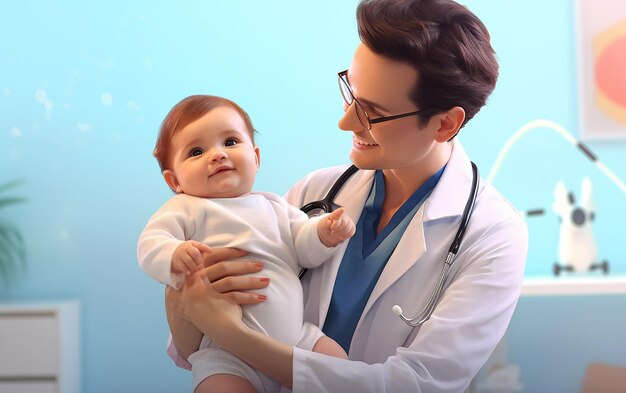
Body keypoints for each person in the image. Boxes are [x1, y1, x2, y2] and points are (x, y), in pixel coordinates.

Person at [165, 0, 528, 392]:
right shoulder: (315, 192)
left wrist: (232, 335)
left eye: (371, 112)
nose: (345, 121)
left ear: (445, 123)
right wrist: (183, 303)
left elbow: (413, 386)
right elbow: (195, 345)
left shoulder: (493, 236)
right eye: (350, 92)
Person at [137, 95, 354, 393]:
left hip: (296, 340)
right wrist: (174, 254)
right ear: (174, 181)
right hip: (226, 357)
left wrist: (323, 234)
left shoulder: (275, 207)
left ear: (256, 157)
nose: (217, 155)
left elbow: (303, 247)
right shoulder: (187, 208)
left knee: (339, 366)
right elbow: (150, 243)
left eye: (230, 142)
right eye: (197, 151)